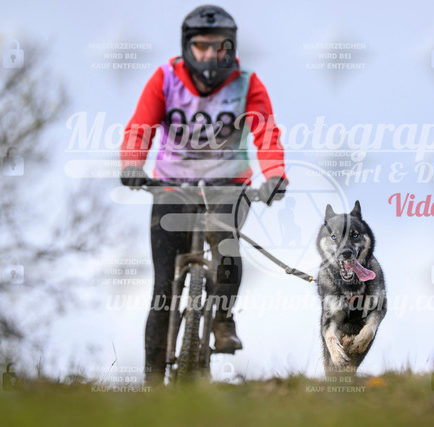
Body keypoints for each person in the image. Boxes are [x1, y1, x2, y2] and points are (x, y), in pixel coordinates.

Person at [119, 5, 287, 384]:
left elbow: (266, 134)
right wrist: (132, 164)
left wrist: (275, 175)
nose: (210, 55)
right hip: (171, 186)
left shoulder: (248, 83)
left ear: (231, 47)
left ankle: (223, 317)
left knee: (225, 244)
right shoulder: (165, 79)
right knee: (164, 286)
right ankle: (151, 384)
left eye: (219, 46)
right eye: (201, 46)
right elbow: (140, 127)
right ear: (187, 46)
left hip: (229, 185)